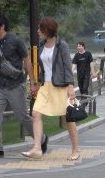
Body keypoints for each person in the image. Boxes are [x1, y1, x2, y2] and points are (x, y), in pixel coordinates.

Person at [0, 12, 41, 158]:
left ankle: (40, 140)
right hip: (0, 86)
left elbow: (27, 62)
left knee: (22, 116)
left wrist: (33, 82)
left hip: (16, 85)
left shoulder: (16, 41)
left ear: (2, 27)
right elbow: (1, 66)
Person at [22, 17, 79, 160]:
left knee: (68, 119)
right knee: (36, 113)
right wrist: (36, 83)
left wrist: (71, 86)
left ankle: (75, 150)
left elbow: (67, 67)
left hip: (61, 87)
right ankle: (37, 148)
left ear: (48, 29)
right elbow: (44, 68)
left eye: (40, 28)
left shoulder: (62, 45)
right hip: (45, 86)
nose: (37, 31)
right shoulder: (41, 46)